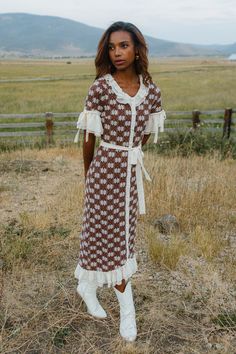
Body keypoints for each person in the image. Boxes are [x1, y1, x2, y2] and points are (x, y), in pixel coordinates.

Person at [74, 21, 166, 342]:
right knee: (99, 235)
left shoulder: (151, 92)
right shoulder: (100, 88)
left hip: (130, 174)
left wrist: (130, 154)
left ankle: (99, 293)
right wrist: (90, 177)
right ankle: (101, 295)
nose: (117, 53)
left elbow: (143, 136)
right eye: (112, 47)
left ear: (137, 48)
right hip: (104, 172)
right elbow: (89, 139)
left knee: (124, 239)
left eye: (124, 45)